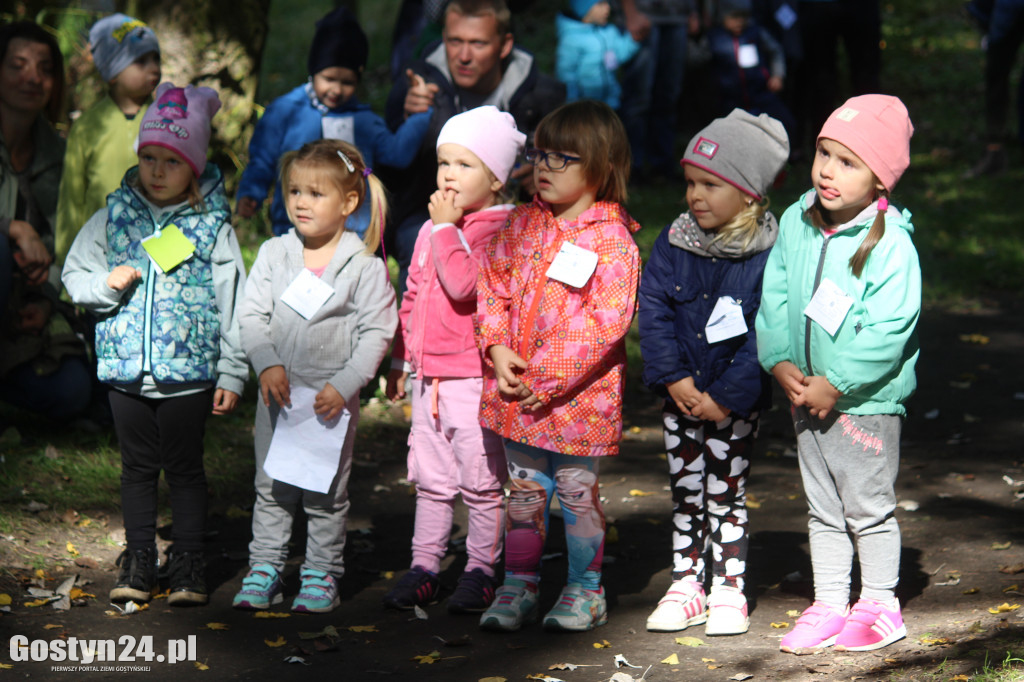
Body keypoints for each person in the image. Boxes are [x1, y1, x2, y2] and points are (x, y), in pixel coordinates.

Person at [62, 83, 248, 607]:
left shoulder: (212, 227)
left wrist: (232, 372)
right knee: (137, 468)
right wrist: (103, 286)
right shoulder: (114, 216)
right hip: (125, 370)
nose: (158, 171)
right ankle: (140, 557)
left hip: (188, 374)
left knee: (186, 468)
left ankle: (188, 560)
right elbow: (75, 272)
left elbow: (235, 301)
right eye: (148, 157)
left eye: (172, 160)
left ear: (195, 165)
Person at [755, 94, 918, 653]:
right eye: (824, 153)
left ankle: (879, 603)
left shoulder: (891, 242)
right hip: (806, 393)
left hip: (863, 403)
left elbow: (890, 327)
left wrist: (837, 383)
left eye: (848, 161)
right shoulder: (799, 222)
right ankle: (829, 600)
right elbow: (774, 296)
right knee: (823, 507)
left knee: (867, 508)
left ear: (880, 179)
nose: (827, 170)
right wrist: (778, 359)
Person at [475, 100, 641, 632]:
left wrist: (544, 380)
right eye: (539, 153)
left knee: (574, 489)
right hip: (517, 392)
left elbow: (603, 325)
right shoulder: (522, 224)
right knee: (523, 490)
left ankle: (584, 590)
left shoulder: (613, 243)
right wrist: (497, 349)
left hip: (575, 402)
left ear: (601, 167)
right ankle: (518, 585)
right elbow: (492, 287)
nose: (543, 166)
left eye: (562, 158)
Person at [638, 109, 789, 636]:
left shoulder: (769, 254)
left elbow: (767, 331)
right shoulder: (674, 241)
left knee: (726, 490)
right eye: (689, 182)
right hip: (680, 396)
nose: (694, 195)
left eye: (709, 184)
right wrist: (673, 378)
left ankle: (729, 587)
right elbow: (652, 308)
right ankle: (686, 583)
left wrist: (726, 396)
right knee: (685, 490)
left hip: (732, 403)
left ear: (749, 193)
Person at [233, 139, 398, 614]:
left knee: (325, 494)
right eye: (294, 191)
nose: (301, 202)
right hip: (277, 397)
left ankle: (321, 574)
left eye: (315, 193)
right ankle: (264, 567)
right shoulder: (274, 253)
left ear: (349, 202)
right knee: (272, 487)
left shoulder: (363, 268)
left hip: (329, 404)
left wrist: (345, 384)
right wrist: (266, 362)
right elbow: (252, 316)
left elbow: (376, 332)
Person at [381, 106, 525, 613]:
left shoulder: (500, 229)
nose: (448, 175)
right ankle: (425, 566)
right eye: (444, 163)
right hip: (428, 379)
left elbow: (465, 286)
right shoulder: (429, 230)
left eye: (464, 165)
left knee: (481, 483)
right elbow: (413, 295)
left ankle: (481, 570)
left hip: (473, 378)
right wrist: (401, 360)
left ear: (496, 178)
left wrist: (445, 230)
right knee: (432, 480)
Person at [383, 0, 565, 292]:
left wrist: (542, 171)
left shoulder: (541, 95)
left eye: (478, 43)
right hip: (426, 211)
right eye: (455, 41)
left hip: (518, 218)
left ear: (504, 45)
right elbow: (386, 166)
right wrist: (406, 122)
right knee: (416, 242)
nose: (463, 56)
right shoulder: (417, 85)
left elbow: (571, 164)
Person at [236, 7, 432, 237]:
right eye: (328, 79)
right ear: (313, 71)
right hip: (293, 231)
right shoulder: (285, 112)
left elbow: (397, 154)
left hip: (350, 235)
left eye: (347, 82)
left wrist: (420, 114)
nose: (336, 90)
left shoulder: (365, 122)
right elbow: (263, 159)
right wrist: (251, 192)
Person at [1, 21, 91, 426]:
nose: (32, 78)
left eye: (44, 68)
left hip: (24, 304)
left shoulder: (61, 154)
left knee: (71, 392)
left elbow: (68, 244)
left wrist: (44, 300)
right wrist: (11, 227)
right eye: (17, 65)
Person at [55, 13, 161, 266]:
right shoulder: (87, 127)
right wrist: (65, 262)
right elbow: (72, 196)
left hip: (155, 250)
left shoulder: (166, 120)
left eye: (156, 58)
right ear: (112, 73)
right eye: (141, 60)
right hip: (98, 254)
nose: (155, 68)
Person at [619, 0, 698, 181]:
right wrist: (630, 12)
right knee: (638, 97)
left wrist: (692, 10)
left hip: (678, 17)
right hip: (644, 16)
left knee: (668, 96)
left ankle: (662, 166)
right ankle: (632, 168)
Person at [706, 0, 796, 148]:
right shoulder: (715, 38)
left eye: (744, 17)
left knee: (787, 123)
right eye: (734, 17)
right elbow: (698, 59)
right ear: (722, 16)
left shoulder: (756, 32)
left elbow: (775, 51)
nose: (739, 22)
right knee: (731, 139)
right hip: (730, 101)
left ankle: (788, 157)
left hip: (761, 94)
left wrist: (778, 75)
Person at [965, 0, 1024, 177]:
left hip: (1006, 13)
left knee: (997, 78)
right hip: (1006, 12)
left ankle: (996, 150)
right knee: (997, 77)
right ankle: (995, 151)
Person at [555, 0, 640, 109]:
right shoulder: (571, 40)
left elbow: (619, 55)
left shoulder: (609, 31)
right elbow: (566, 75)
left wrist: (633, 41)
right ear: (584, 9)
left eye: (607, 3)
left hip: (611, 103)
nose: (607, 7)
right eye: (601, 4)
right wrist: (571, 103)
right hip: (584, 107)